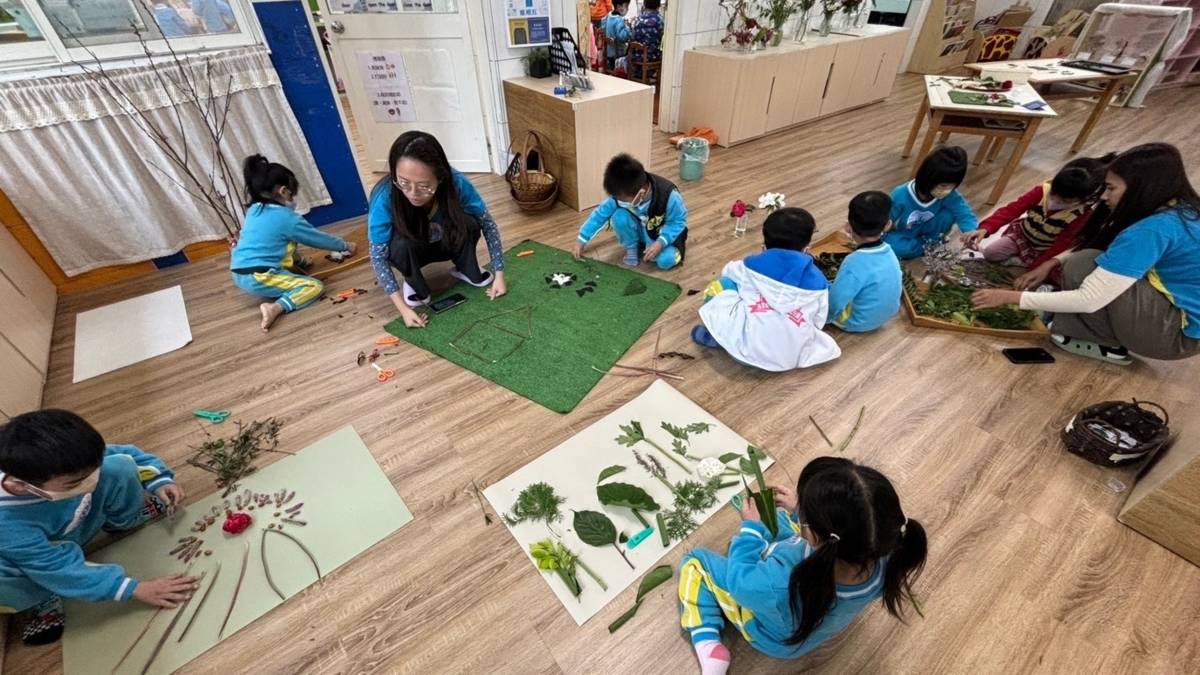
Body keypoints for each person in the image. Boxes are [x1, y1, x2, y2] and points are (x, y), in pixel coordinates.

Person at [678, 456, 927, 674]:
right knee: (775, 519)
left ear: (818, 537)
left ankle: (709, 647)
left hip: (769, 636)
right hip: (809, 623)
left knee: (696, 562)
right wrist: (799, 511)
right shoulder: (887, 556)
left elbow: (740, 582)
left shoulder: (779, 584)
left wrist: (750, 531)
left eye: (806, 514)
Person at [973, 143, 1200, 364]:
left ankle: (1102, 340)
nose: (1103, 196)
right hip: (1181, 328)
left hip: (1176, 337)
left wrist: (1010, 298)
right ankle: (1086, 328)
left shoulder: (1152, 229)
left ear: (1140, 189)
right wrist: (1050, 263)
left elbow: (1090, 299)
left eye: (1111, 188)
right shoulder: (1181, 210)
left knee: (1083, 266)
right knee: (1086, 260)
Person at [0, 410, 198, 646]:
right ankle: (45, 596)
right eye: (76, 481)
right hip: (32, 560)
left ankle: (124, 520)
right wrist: (133, 589)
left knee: (118, 467)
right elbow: (54, 567)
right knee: (7, 582)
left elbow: (128, 455)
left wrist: (159, 480)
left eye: (91, 472)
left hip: (72, 520)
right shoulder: (8, 522)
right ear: (21, 486)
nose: (91, 481)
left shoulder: (66, 460)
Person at [368, 131, 508, 329]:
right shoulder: (385, 196)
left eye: (424, 186)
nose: (413, 194)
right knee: (400, 247)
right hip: (412, 247)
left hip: (444, 240)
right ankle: (414, 280)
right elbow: (377, 256)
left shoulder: (456, 182)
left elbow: (488, 224)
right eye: (404, 183)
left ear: (440, 177)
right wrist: (404, 310)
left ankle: (465, 268)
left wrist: (500, 275)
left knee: (470, 222)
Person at [694, 208, 841, 371]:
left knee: (725, 284)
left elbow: (727, 271)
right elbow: (819, 320)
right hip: (789, 358)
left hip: (743, 351)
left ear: (764, 247)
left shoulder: (748, 265)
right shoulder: (819, 282)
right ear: (806, 249)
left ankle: (719, 337)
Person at [231, 155, 356, 333]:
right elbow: (317, 238)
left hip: (238, 270)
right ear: (283, 191)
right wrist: (344, 245)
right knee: (314, 286)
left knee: (283, 242)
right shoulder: (287, 218)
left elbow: (278, 243)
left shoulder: (254, 209)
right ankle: (275, 307)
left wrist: (300, 262)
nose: (294, 198)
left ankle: (291, 271)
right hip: (259, 276)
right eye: (292, 194)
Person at [962, 154, 1115, 276]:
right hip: (1022, 236)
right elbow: (1011, 210)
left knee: (1041, 271)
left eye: (1064, 200)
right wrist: (986, 228)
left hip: (1045, 248)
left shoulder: (1082, 214)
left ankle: (1023, 263)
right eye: (1054, 195)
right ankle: (1020, 261)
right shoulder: (1042, 191)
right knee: (991, 253)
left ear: (1081, 199)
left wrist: (1036, 269)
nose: (1056, 201)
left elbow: (1062, 244)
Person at [573, 153, 687, 270]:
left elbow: (678, 222)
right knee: (619, 216)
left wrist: (660, 242)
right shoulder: (621, 193)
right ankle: (632, 249)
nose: (619, 202)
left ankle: (666, 251)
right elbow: (599, 216)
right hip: (642, 230)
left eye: (623, 201)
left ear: (641, 193)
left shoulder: (669, 195)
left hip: (663, 234)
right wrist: (581, 239)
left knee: (665, 261)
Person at [884, 146, 978, 259]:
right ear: (928, 177)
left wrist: (971, 231)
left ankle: (930, 244)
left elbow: (964, 213)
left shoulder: (951, 195)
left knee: (948, 214)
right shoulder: (901, 193)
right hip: (905, 235)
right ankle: (927, 247)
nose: (947, 190)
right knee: (892, 244)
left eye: (952, 186)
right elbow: (885, 219)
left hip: (932, 235)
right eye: (943, 185)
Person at [828, 191, 903, 332]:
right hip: (884, 317)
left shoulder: (854, 262)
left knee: (822, 288)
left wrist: (823, 318)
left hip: (856, 322)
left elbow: (835, 303)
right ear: (887, 225)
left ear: (848, 226)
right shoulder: (890, 252)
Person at [631, 0, 665, 79]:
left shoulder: (638, 19)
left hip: (636, 56)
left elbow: (632, 36)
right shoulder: (659, 20)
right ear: (658, 5)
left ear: (644, 4)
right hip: (652, 57)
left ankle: (640, 75)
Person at [603, 1, 632, 69]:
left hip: (609, 52)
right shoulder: (619, 20)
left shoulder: (608, 16)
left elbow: (603, 27)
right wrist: (628, 28)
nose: (627, 9)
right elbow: (623, 37)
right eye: (626, 6)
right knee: (630, 52)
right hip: (618, 53)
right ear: (619, 7)